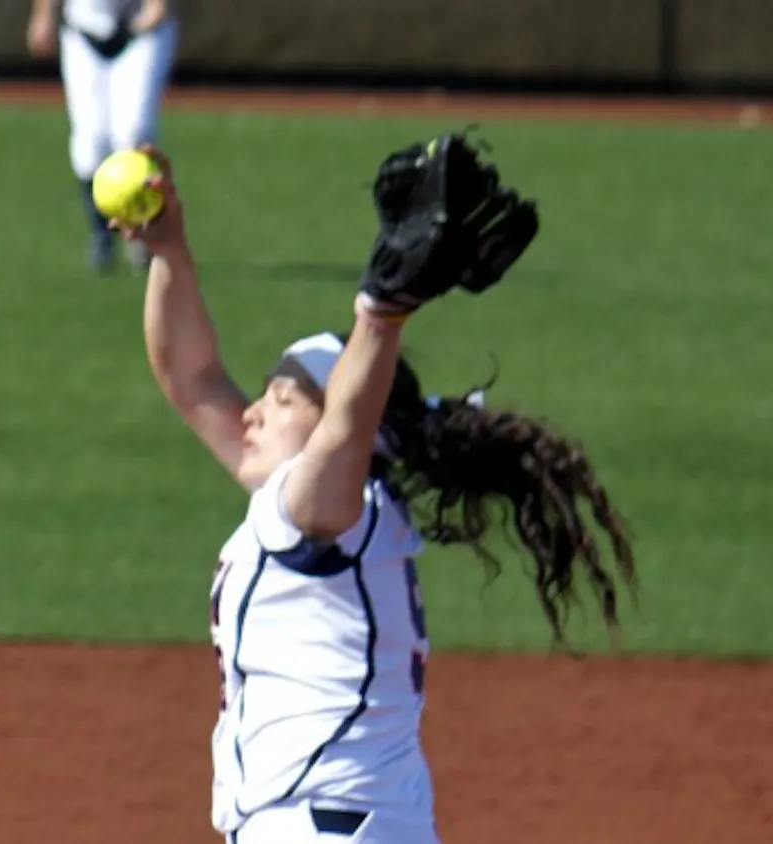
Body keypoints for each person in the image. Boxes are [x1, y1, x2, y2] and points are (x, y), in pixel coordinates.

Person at [112, 144, 638, 844]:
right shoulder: (321, 511)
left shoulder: (326, 513)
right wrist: (169, 247)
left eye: (281, 396)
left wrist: (380, 316)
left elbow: (344, 428)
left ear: (340, 420)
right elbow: (193, 376)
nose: (253, 411)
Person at [27, 0, 179, 274]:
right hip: (85, 28)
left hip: (142, 28)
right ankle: (102, 233)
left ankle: (142, 230)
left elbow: (158, 10)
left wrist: (157, 6)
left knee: (133, 132)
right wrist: (43, 16)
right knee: (90, 140)